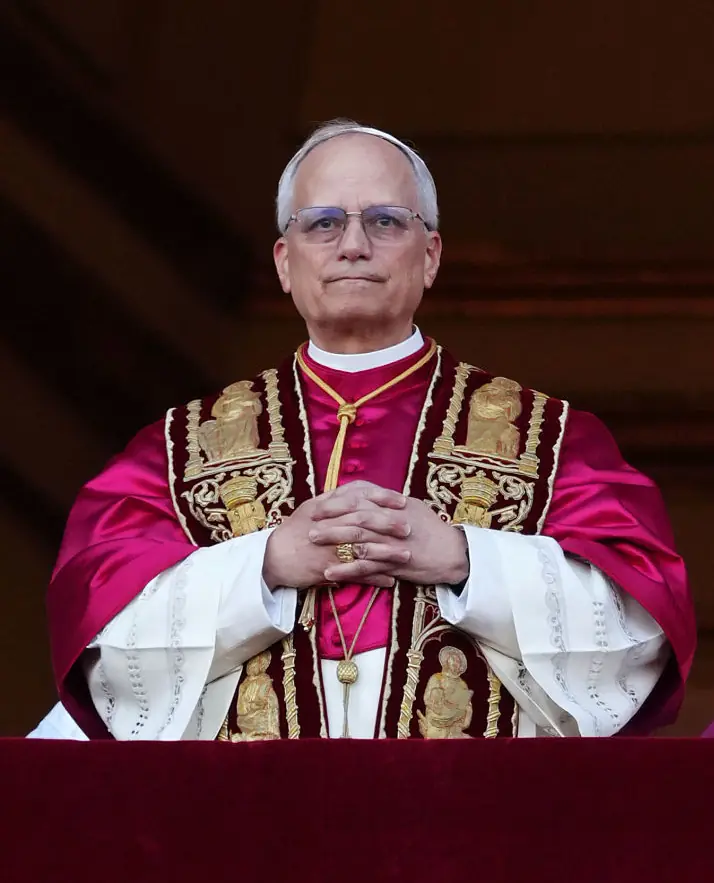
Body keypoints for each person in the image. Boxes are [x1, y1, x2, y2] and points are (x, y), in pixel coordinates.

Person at [29, 119, 695, 742]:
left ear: (430, 255)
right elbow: (101, 639)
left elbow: (639, 628)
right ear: (285, 262)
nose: (354, 244)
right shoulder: (176, 451)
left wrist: (469, 560)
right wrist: (263, 565)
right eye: (323, 223)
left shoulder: (550, 440)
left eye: (385, 220)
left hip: (467, 831)